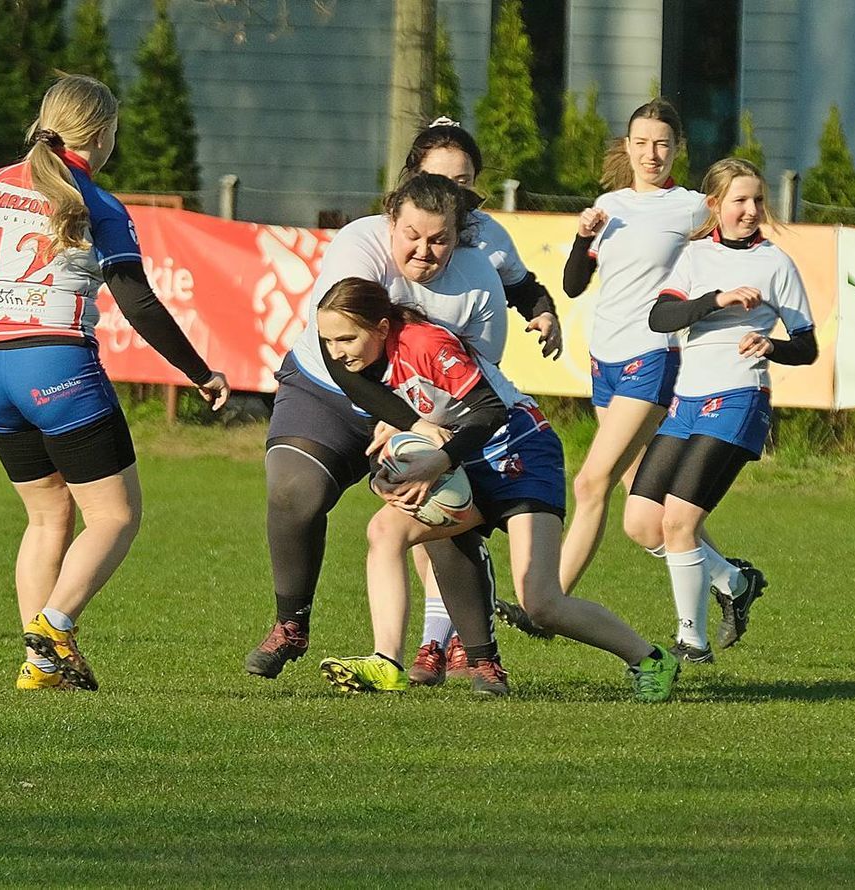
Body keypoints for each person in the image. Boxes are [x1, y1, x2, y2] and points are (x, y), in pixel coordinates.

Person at [0, 74, 229, 691]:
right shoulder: (96, 202)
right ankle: (55, 626)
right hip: (54, 361)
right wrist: (200, 374)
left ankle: (41, 667)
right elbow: (139, 303)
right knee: (116, 516)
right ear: (101, 135)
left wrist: (4, 263)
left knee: (46, 516)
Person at [316, 277, 682, 702]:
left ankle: (650, 658)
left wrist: (439, 461)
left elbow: (490, 411)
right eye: (327, 341)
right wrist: (386, 475)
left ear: (381, 328)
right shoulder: (354, 363)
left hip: (521, 450)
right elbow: (385, 433)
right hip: (459, 455)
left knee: (541, 603)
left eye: (346, 338)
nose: (336, 351)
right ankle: (386, 662)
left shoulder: (425, 344)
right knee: (384, 531)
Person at [244, 173, 511, 680]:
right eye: (412, 235)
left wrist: (424, 429)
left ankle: (480, 660)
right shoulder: (360, 246)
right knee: (293, 491)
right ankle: (290, 624)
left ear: (460, 232)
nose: (424, 250)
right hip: (327, 391)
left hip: (425, 411)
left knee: (441, 511)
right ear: (392, 220)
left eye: (439, 239)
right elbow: (337, 352)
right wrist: (404, 419)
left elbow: (476, 378)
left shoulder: (479, 278)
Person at [622, 158, 817, 662]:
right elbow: (661, 317)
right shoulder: (694, 257)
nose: (751, 210)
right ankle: (733, 580)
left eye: (757, 201)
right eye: (740, 200)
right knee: (642, 523)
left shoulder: (775, 263)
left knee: (679, 524)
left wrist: (772, 346)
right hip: (687, 402)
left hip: (738, 399)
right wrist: (716, 299)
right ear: (715, 205)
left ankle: (692, 642)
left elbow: (807, 346)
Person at [399, 118, 563, 684]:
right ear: (410, 181)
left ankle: (462, 643)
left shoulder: (486, 235)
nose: (454, 193)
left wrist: (543, 310)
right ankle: (434, 640)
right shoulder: (388, 231)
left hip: (469, 396)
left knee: (446, 512)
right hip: (413, 397)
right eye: (439, 179)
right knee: (429, 512)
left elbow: (522, 285)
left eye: (465, 182)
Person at [560, 99, 739, 602]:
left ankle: (547, 600)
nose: (651, 153)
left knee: (591, 482)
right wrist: (581, 238)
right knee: (643, 501)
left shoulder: (692, 207)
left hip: (654, 356)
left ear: (678, 149)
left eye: (662, 143)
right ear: (628, 146)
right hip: (605, 362)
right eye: (641, 143)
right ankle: (733, 581)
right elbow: (574, 285)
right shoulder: (609, 206)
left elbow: (739, 252)